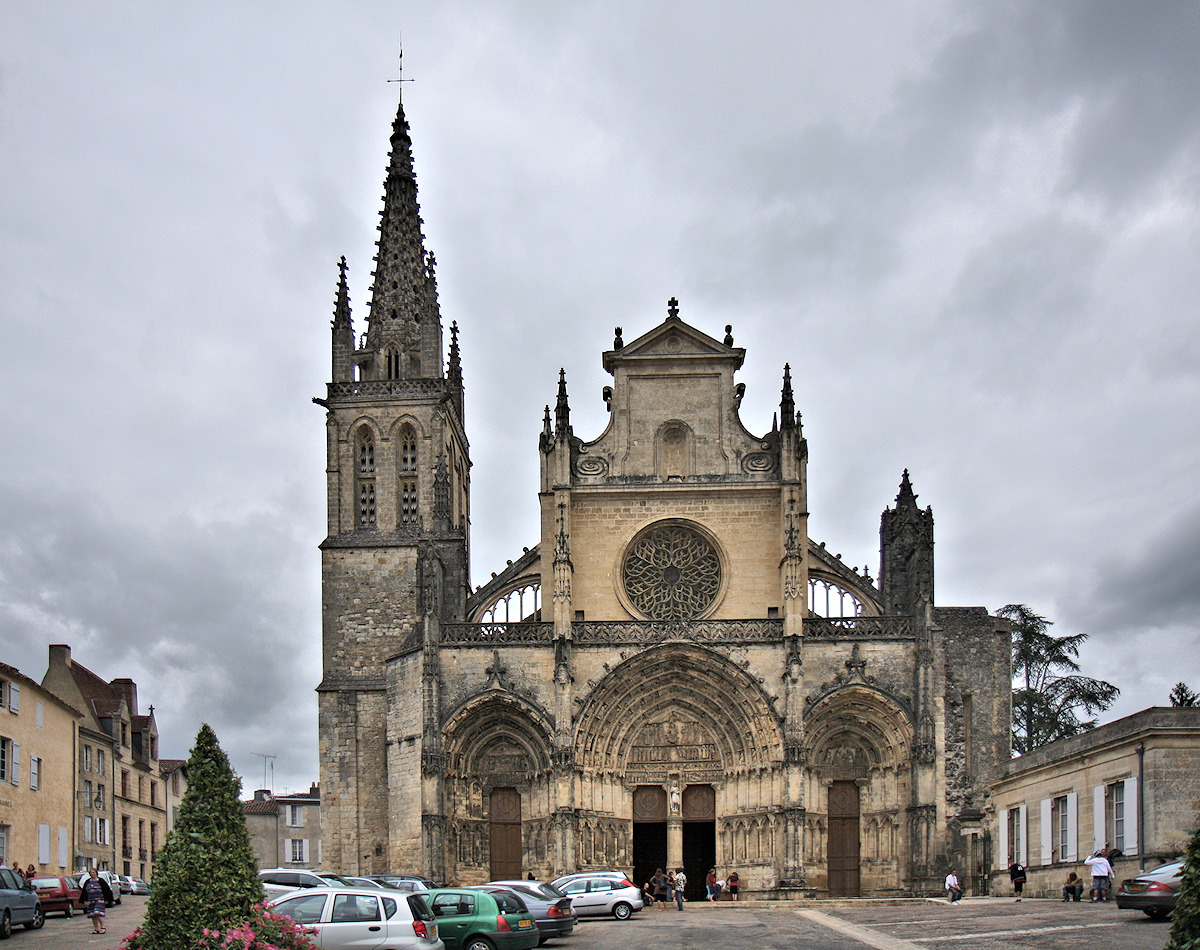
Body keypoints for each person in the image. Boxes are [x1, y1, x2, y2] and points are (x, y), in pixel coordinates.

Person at [81, 867, 113, 934]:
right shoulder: (87, 882)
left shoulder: (101, 881)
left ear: (96, 873)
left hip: (99, 899)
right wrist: (85, 900)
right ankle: (96, 929)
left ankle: (103, 927)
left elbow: (107, 890)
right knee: (93, 914)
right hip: (91, 900)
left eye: (93, 872)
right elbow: (84, 892)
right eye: (91, 873)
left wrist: (106, 899)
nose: (92, 874)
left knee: (98, 913)